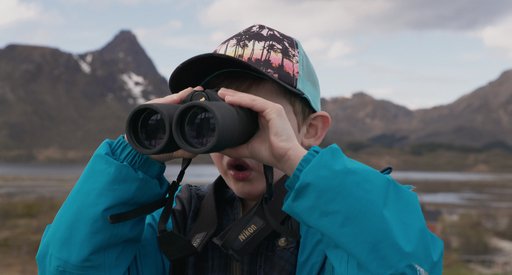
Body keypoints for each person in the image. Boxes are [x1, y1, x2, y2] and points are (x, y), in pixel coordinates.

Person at [36, 24, 444, 274]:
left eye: (253, 116)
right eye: (211, 114)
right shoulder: (175, 221)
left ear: (311, 130)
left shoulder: (341, 231)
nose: (233, 139)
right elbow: (67, 268)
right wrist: (134, 153)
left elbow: (406, 267)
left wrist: (297, 163)